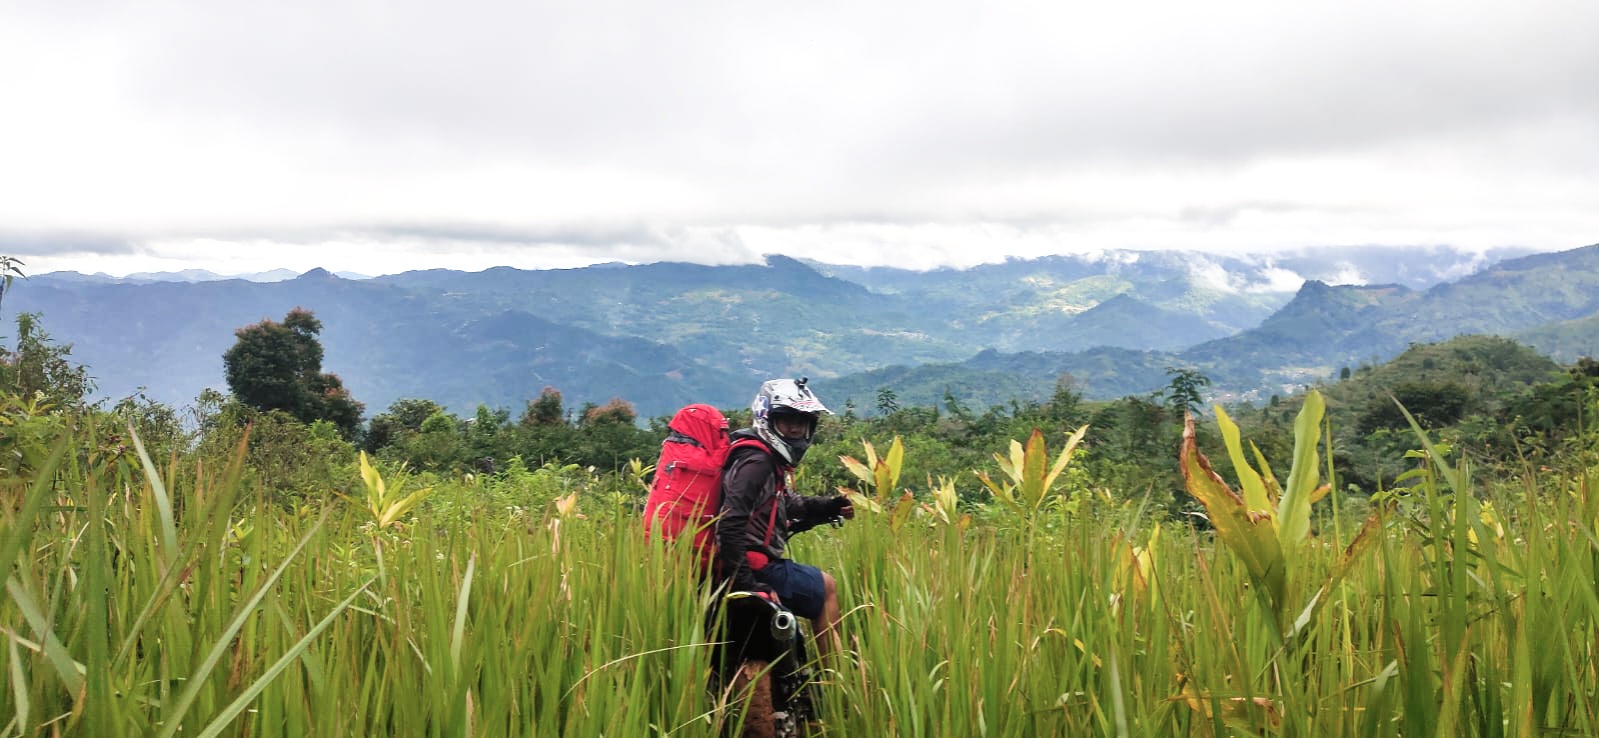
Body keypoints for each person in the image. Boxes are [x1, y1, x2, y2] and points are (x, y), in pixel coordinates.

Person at [716, 377, 854, 658]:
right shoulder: (758, 462)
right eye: (787, 420)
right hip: (753, 566)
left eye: (802, 422)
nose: (795, 428)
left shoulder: (758, 456)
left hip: (741, 565)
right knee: (827, 587)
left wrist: (827, 506)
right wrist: (749, 585)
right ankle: (837, 679)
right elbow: (729, 522)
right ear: (768, 419)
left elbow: (782, 503)